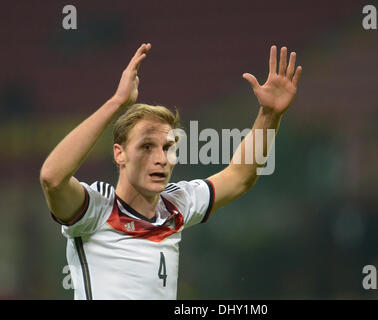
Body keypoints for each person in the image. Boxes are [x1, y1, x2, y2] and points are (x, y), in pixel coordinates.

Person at [40, 43, 302, 299]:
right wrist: (117, 102)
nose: (160, 158)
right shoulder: (97, 209)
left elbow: (240, 176)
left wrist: (269, 115)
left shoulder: (177, 204)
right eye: (146, 147)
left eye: (168, 147)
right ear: (119, 153)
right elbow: (52, 179)